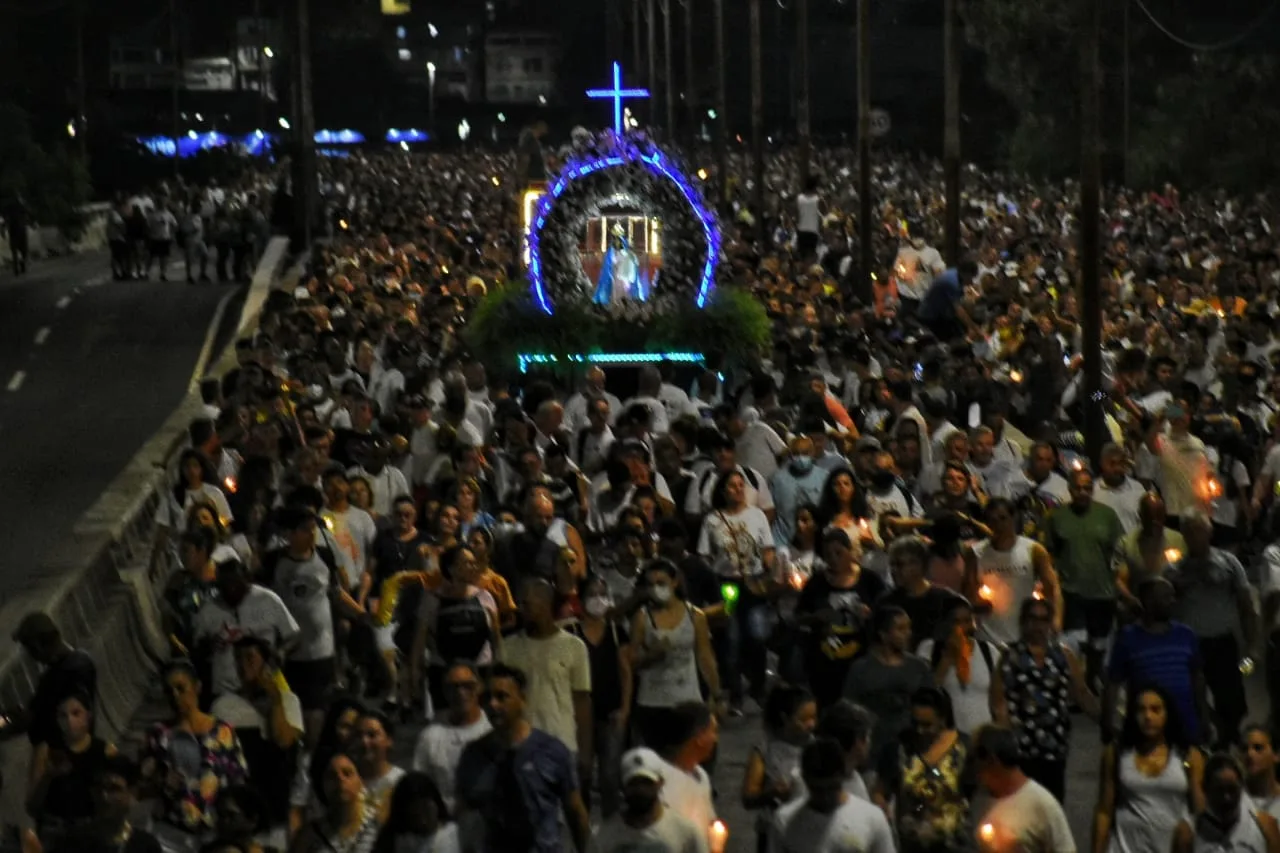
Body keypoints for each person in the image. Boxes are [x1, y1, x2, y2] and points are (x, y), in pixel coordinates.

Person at [454, 663, 591, 853]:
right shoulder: (474, 756)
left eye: (502, 697)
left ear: (522, 699)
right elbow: (465, 817)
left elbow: (576, 814)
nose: (492, 705)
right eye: (487, 698)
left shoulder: (551, 751)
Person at [991, 597, 1096, 800]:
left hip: (1054, 749)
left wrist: (1106, 723)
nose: (1038, 625)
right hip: (1021, 750)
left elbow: (1082, 694)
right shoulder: (1009, 656)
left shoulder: (1064, 656)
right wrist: (1003, 740)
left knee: (1051, 807)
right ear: (1023, 621)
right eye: (1033, 619)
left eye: (1043, 619)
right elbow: (998, 701)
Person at [1092, 684, 1204, 853]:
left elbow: (1200, 810)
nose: (1148, 716)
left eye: (1155, 709)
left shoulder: (1188, 755)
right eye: (1141, 710)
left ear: (1167, 714)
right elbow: (1104, 811)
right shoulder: (1117, 754)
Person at [499, 579, 593, 773]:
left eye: (527, 604)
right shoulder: (507, 648)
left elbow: (582, 701)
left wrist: (585, 752)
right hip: (521, 746)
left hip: (563, 744)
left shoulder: (574, 647)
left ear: (546, 603)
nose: (522, 610)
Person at [1105, 577, 1209, 748]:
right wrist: (1108, 722)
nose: (1172, 601)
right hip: (1146, 729)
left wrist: (1203, 718)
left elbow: (1197, 679)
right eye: (1166, 597)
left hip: (1185, 726)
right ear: (1148, 601)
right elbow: (1113, 684)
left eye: (1172, 596)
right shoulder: (1128, 638)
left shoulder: (1186, 635)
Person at [628, 559, 721, 742]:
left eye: (661, 583)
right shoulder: (642, 617)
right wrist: (651, 656)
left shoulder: (695, 616)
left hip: (687, 701)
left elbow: (705, 656)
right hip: (652, 703)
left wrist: (716, 694)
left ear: (675, 582)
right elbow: (630, 661)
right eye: (651, 584)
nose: (656, 589)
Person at [796, 529, 886, 709]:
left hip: (861, 660)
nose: (834, 559)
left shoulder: (870, 580)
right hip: (824, 663)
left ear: (850, 551)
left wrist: (870, 615)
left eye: (839, 553)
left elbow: (886, 615)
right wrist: (816, 617)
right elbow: (799, 616)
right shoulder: (817, 583)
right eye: (828, 555)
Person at [874, 686, 970, 853]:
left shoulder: (965, 749)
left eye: (927, 725)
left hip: (956, 845)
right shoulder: (899, 748)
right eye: (915, 723)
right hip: (911, 845)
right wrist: (882, 807)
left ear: (943, 719)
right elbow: (880, 791)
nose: (920, 731)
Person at [567, 574, 633, 816]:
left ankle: (610, 826)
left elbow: (625, 672)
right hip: (579, 716)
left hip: (611, 713)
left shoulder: (616, 632)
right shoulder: (571, 632)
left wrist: (625, 709)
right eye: (592, 595)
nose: (598, 600)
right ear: (581, 599)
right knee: (581, 774)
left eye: (602, 594)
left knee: (610, 776)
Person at [843, 605, 934, 770]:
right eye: (901, 629)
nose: (908, 634)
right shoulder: (861, 669)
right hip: (873, 755)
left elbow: (933, 708)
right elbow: (848, 712)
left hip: (911, 754)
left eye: (908, 628)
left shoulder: (918, 668)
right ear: (883, 634)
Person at [770, 737, 896, 853]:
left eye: (831, 788)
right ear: (804, 779)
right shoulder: (784, 821)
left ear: (843, 776)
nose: (825, 796)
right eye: (817, 789)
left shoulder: (872, 819)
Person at [972, 725, 1075, 853]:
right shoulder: (981, 799)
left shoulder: (1043, 804)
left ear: (993, 761)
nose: (976, 773)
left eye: (976, 763)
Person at [587, 748, 708, 853]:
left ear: (660, 782)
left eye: (647, 783)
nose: (641, 790)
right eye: (634, 784)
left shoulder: (686, 834)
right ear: (623, 786)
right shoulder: (604, 835)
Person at [741, 685, 817, 849]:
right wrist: (771, 793)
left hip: (809, 830)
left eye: (813, 717)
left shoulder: (817, 746)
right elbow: (748, 798)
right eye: (804, 719)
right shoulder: (765, 750)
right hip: (773, 831)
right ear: (785, 718)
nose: (811, 724)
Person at [411, 662, 491, 813]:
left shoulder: (492, 732)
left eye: (467, 686)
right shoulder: (429, 737)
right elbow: (419, 788)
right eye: (453, 687)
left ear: (479, 687)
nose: (460, 693)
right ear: (444, 691)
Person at [1171, 753, 1280, 853]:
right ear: (1205, 789)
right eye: (1219, 791)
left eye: (1232, 790)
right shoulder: (1188, 835)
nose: (1226, 798)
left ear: (1242, 786)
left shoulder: (1265, 827)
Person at [918, 598, 997, 736]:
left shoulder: (989, 652)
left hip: (982, 736)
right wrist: (947, 659)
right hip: (945, 736)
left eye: (967, 621)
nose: (962, 628)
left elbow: (998, 698)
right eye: (956, 622)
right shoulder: (929, 650)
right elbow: (927, 693)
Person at [288, 751, 381, 853]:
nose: (340, 779)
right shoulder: (308, 836)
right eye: (332, 776)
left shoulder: (379, 826)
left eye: (347, 773)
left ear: (361, 780)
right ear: (323, 785)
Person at [371, 772, 461, 853]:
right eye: (415, 816)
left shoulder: (456, 834)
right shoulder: (398, 843)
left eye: (426, 811)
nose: (423, 821)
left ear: (436, 803)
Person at [1242, 725, 1280, 821]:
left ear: (1276, 755)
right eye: (1244, 749)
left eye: (1258, 748)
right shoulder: (1234, 797)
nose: (1249, 754)